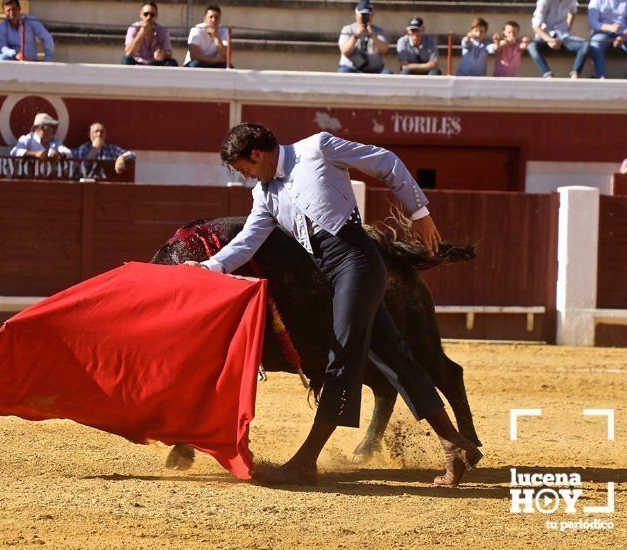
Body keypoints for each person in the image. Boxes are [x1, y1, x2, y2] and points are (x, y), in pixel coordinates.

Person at [185, 124, 482, 486]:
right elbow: (247, 242)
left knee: (342, 358)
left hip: (358, 261)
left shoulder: (317, 148)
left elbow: (385, 162)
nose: (242, 175)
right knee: (396, 360)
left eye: (240, 167)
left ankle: (307, 461)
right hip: (333, 273)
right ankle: (456, 446)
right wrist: (208, 267)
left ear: (256, 154)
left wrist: (419, 212)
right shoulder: (265, 194)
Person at [527, 0, 590, 78]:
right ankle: (548, 75)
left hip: (563, 35)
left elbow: (573, 11)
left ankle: (575, 74)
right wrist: (549, 40)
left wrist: (567, 28)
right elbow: (536, 27)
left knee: (585, 44)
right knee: (531, 46)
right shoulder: (544, 1)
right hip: (544, 36)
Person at [587, 0, 627, 79]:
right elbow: (593, 22)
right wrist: (609, 27)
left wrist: (623, 37)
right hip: (603, 33)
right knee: (595, 44)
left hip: (625, 34)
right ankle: (601, 78)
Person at [338, 0, 392, 74]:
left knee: (387, 73)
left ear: (372, 15)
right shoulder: (347, 29)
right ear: (356, 15)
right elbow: (345, 51)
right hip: (351, 69)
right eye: (362, 14)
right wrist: (357, 34)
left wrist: (372, 34)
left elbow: (384, 50)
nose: (365, 17)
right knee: (343, 72)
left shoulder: (379, 31)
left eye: (367, 14)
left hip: (375, 71)